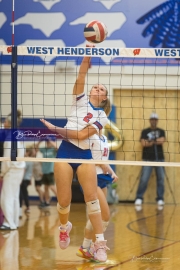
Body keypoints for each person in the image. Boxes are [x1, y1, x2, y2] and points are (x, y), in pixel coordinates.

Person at [40, 45, 111, 262]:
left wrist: (56, 130)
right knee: (63, 201)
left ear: (105, 98)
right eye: (95, 86)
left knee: (92, 200)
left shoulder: (102, 116)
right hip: (65, 153)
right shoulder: (78, 100)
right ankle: (65, 226)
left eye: (101, 89)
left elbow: (81, 136)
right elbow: (82, 72)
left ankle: (99, 243)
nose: (96, 89)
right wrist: (88, 51)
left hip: (84, 156)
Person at [76, 131, 118, 260]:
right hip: (91, 177)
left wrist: (112, 172)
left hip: (103, 178)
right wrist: (99, 163)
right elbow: (84, 158)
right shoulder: (89, 136)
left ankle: (85, 247)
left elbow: (104, 160)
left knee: (96, 216)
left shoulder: (104, 137)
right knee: (104, 216)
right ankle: (96, 248)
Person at [0, 110, 25, 230]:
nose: (3, 122)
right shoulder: (19, 134)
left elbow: (6, 160)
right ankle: (14, 222)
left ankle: (9, 223)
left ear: (9, 123)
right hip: (19, 169)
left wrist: (2, 172)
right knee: (14, 196)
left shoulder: (9, 138)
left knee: (6, 197)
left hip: (11, 170)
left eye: (4, 121)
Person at [134, 112, 166, 208]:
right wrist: (155, 141)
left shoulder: (161, 131)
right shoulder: (145, 131)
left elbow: (162, 141)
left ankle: (160, 198)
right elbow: (143, 143)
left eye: (155, 119)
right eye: (152, 119)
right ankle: (139, 197)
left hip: (159, 159)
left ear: (157, 121)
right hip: (147, 159)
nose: (153, 121)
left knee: (161, 179)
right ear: (150, 120)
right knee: (144, 179)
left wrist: (150, 142)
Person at [35, 136, 57, 208]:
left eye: (48, 142)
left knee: (52, 187)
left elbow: (57, 148)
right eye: (47, 142)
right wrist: (40, 141)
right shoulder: (44, 149)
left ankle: (61, 201)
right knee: (46, 188)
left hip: (51, 171)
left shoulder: (53, 149)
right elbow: (36, 148)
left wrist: (51, 140)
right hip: (44, 171)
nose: (47, 143)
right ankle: (47, 202)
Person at [19, 147, 35, 215]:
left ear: (27, 152)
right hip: (27, 179)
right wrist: (30, 180)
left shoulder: (25, 160)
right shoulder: (31, 160)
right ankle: (28, 207)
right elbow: (31, 172)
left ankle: (20, 209)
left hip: (23, 179)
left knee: (21, 194)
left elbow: (24, 170)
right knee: (25, 193)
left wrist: (20, 179)